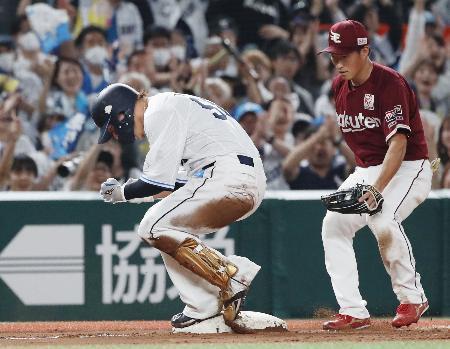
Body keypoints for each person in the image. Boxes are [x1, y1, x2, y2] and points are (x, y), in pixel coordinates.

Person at [91, 83, 266, 328]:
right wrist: (131, 191)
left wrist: (121, 192)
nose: (117, 137)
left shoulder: (157, 111)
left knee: (152, 226)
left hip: (226, 176)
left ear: (122, 114)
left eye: (113, 129)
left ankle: (232, 275)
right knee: (167, 228)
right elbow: (175, 182)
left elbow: (155, 181)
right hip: (243, 180)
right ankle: (202, 305)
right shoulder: (169, 105)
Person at [318, 20, 433, 330]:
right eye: (333, 55)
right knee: (334, 225)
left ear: (365, 51)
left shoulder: (390, 84)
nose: (338, 62)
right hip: (368, 169)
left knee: (382, 218)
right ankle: (352, 310)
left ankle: (412, 297)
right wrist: (365, 180)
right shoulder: (339, 86)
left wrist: (376, 189)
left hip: (409, 166)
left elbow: (398, 144)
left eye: (345, 55)